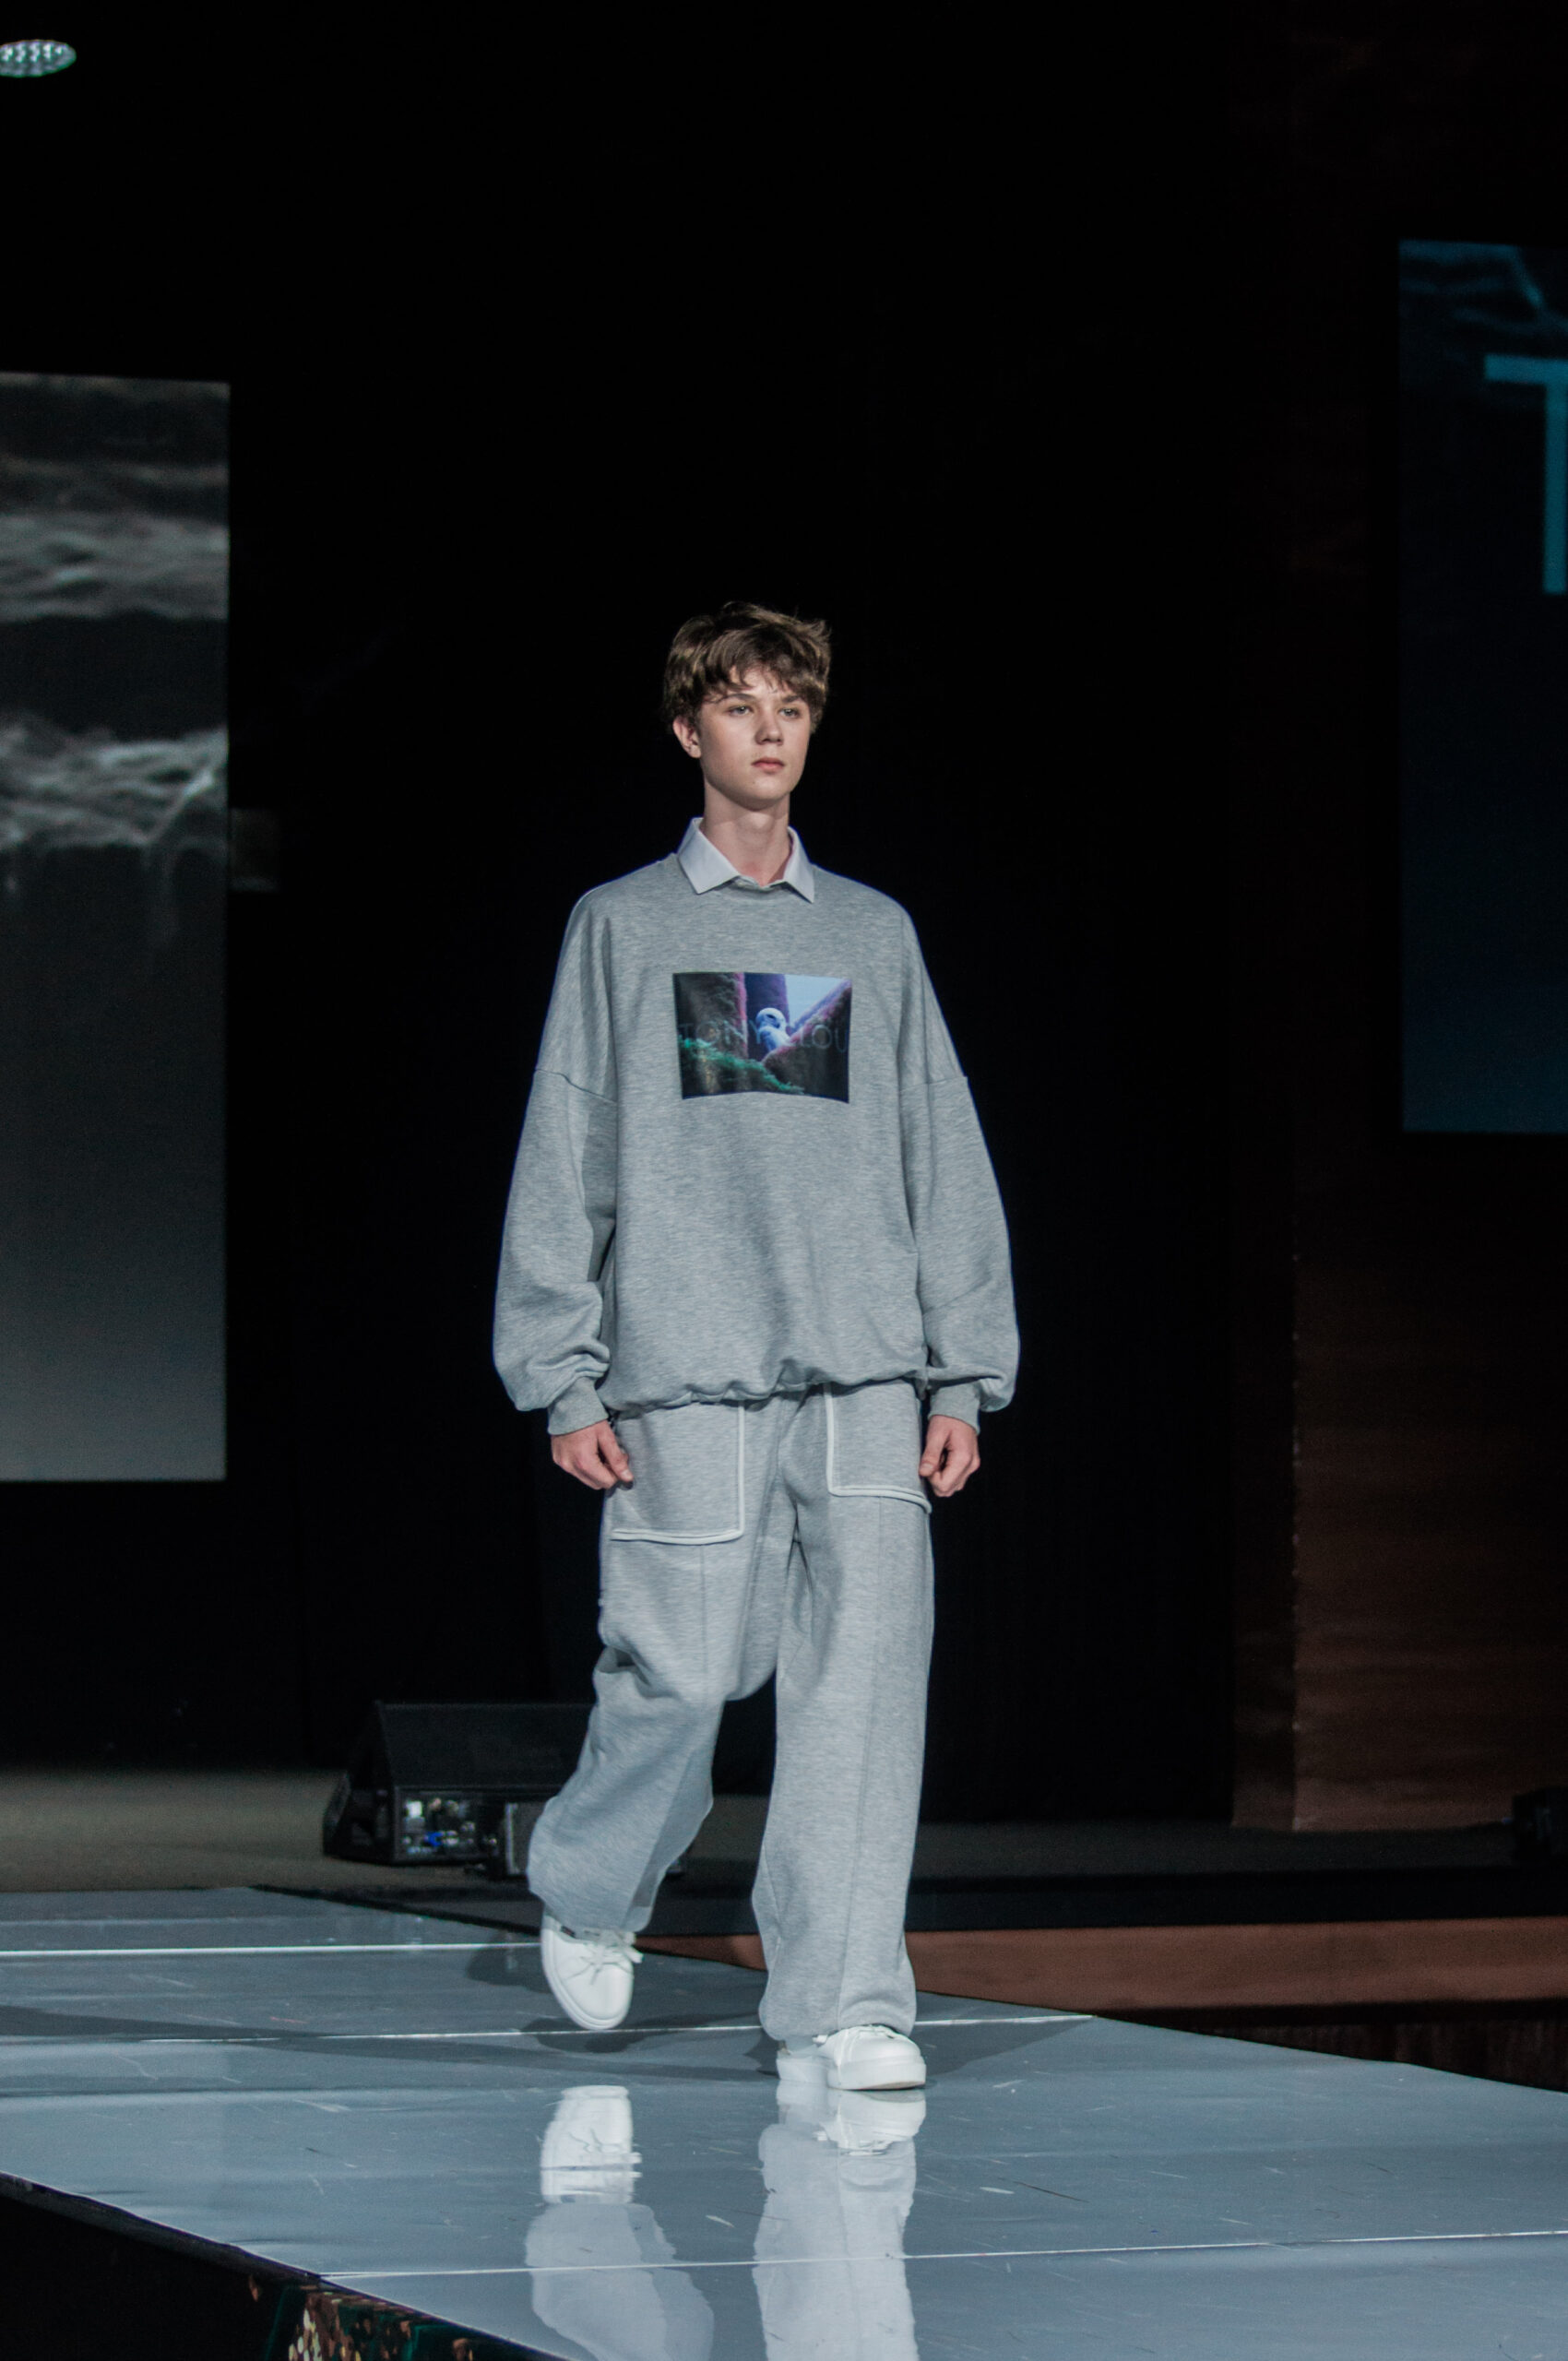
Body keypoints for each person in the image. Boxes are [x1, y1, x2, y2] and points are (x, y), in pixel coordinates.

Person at [493, 601, 1017, 2091]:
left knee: (862, 1698)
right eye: (740, 704)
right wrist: (561, 1372)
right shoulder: (623, 924)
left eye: (792, 704)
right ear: (690, 730)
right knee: (679, 1676)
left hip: (865, 1372)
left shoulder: (869, 933)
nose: (770, 728)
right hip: (687, 1370)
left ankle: (844, 2008)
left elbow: (940, 1150)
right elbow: (567, 1149)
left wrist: (963, 1368)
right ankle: (592, 1884)